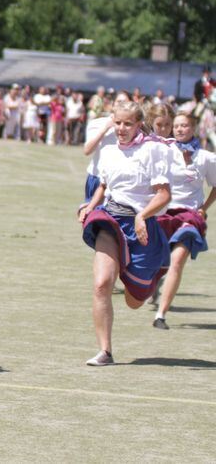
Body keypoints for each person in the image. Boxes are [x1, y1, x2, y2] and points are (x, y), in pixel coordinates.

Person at [78, 100, 171, 366]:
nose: (121, 128)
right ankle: (105, 351)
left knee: (135, 300)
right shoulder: (108, 151)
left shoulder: (153, 150)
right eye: (117, 123)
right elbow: (103, 185)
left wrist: (142, 215)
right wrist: (90, 206)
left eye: (128, 123)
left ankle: (149, 279)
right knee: (102, 284)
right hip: (110, 220)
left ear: (139, 124)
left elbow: (164, 195)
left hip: (142, 226)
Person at [152, 113, 216, 329]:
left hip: (190, 216)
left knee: (177, 261)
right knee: (158, 263)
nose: (179, 129)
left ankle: (160, 315)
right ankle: (155, 282)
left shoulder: (206, 157)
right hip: (164, 213)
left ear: (193, 128)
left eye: (185, 125)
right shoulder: (164, 152)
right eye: (177, 126)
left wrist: (203, 208)